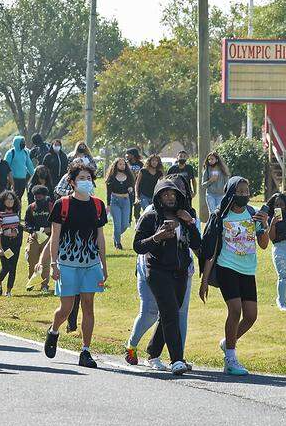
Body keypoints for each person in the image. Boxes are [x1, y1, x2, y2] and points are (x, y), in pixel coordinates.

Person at [131, 176, 202, 375]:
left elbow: (197, 244)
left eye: (173, 194)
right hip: (157, 271)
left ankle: (153, 351)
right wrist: (157, 237)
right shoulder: (151, 216)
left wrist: (189, 223)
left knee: (169, 313)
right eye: (165, 194)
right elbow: (137, 246)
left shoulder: (184, 214)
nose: (170, 197)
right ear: (158, 197)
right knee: (170, 312)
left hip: (180, 272)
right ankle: (177, 359)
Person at [199, 176, 270, 376]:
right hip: (226, 267)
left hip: (248, 270)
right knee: (235, 310)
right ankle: (230, 358)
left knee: (251, 316)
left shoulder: (252, 214)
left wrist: (264, 224)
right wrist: (204, 280)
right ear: (230, 192)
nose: (243, 195)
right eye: (239, 192)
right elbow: (211, 251)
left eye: (246, 192)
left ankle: (227, 342)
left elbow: (263, 244)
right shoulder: (220, 216)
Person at [43, 162, 109, 369]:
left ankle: (86, 351)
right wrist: (53, 264)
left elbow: (100, 237)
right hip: (67, 263)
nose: (86, 182)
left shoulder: (98, 205)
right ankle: (54, 331)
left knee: (88, 305)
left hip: (91, 264)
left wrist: (104, 265)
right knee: (66, 308)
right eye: (81, 178)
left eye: (89, 178)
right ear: (71, 182)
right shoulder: (62, 205)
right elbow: (55, 236)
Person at [0, 189, 23, 296]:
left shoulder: (16, 214)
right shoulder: (0, 215)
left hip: (15, 244)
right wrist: (0, 248)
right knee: (6, 267)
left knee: (13, 267)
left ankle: (9, 291)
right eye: (8, 199)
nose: (10, 201)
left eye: (12, 199)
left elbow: (18, 226)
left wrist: (16, 230)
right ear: (3, 201)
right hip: (5, 244)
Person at [23, 185, 53, 293]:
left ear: (45, 196)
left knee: (45, 262)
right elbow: (27, 223)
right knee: (32, 261)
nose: (38, 198)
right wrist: (32, 231)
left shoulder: (51, 207)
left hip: (47, 238)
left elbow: (56, 222)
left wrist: (49, 229)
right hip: (34, 238)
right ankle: (31, 282)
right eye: (36, 196)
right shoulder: (31, 208)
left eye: (40, 197)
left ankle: (44, 285)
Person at [105, 157, 135, 249]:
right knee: (117, 224)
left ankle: (115, 236)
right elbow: (108, 193)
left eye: (124, 164)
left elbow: (131, 187)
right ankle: (118, 243)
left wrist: (131, 189)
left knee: (126, 224)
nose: (122, 166)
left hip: (126, 201)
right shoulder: (112, 177)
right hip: (115, 201)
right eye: (120, 164)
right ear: (116, 165)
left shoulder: (129, 176)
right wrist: (108, 205)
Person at [198, 152, 230, 217]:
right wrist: (211, 180)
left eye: (212, 159)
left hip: (221, 195)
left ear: (217, 159)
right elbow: (203, 185)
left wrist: (226, 194)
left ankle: (219, 226)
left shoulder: (223, 170)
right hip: (210, 195)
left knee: (220, 213)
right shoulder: (207, 169)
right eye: (209, 159)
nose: (210, 161)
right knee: (212, 213)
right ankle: (212, 226)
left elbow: (227, 183)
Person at [5, 135, 35, 200]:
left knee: (19, 196)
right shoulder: (11, 153)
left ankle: (18, 210)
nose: (23, 144)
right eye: (22, 142)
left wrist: (34, 175)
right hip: (12, 179)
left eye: (24, 142)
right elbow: (6, 166)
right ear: (17, 143)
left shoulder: (25, 152)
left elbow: (29, 164)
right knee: (12, 197)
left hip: (22, 179)